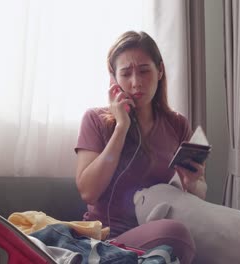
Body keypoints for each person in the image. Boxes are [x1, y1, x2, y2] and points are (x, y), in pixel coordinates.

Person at [74, 31, 207, 264]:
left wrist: (193, 182)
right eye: (126, 73)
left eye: (144, 71)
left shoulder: (177, 124)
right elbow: (88, 192)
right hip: (108, 238)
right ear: (114, 79)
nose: (136, 82)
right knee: (176, 234)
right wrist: (121, 129)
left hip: (159, 229)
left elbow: (200, 196)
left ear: (160, 71)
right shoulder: (95, 120)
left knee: (186, 234)